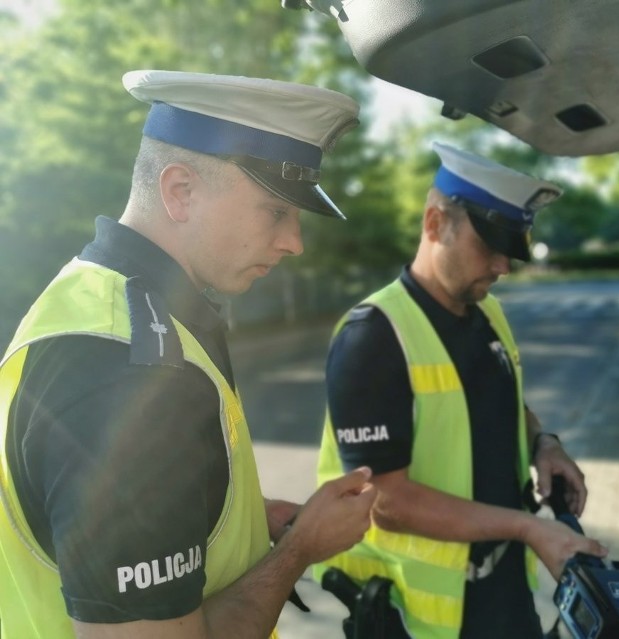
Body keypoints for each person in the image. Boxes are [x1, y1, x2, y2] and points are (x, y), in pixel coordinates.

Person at [0, 69, 376, 639]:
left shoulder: (104, 299)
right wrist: (301, 548)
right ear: (180, 191)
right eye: (276, 211)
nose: (294, 241)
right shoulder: (126, 375)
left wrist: (245, 519)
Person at [314, 142, 608, 639]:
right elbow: (386, 500)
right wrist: (528, 527)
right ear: (434, 224)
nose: (503, 268)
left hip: (505, 593)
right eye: (489, 246)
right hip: (427, 619)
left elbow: (498, 402)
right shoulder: (374, 335)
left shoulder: (485, 311)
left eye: (511, 250)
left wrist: (543, 442)